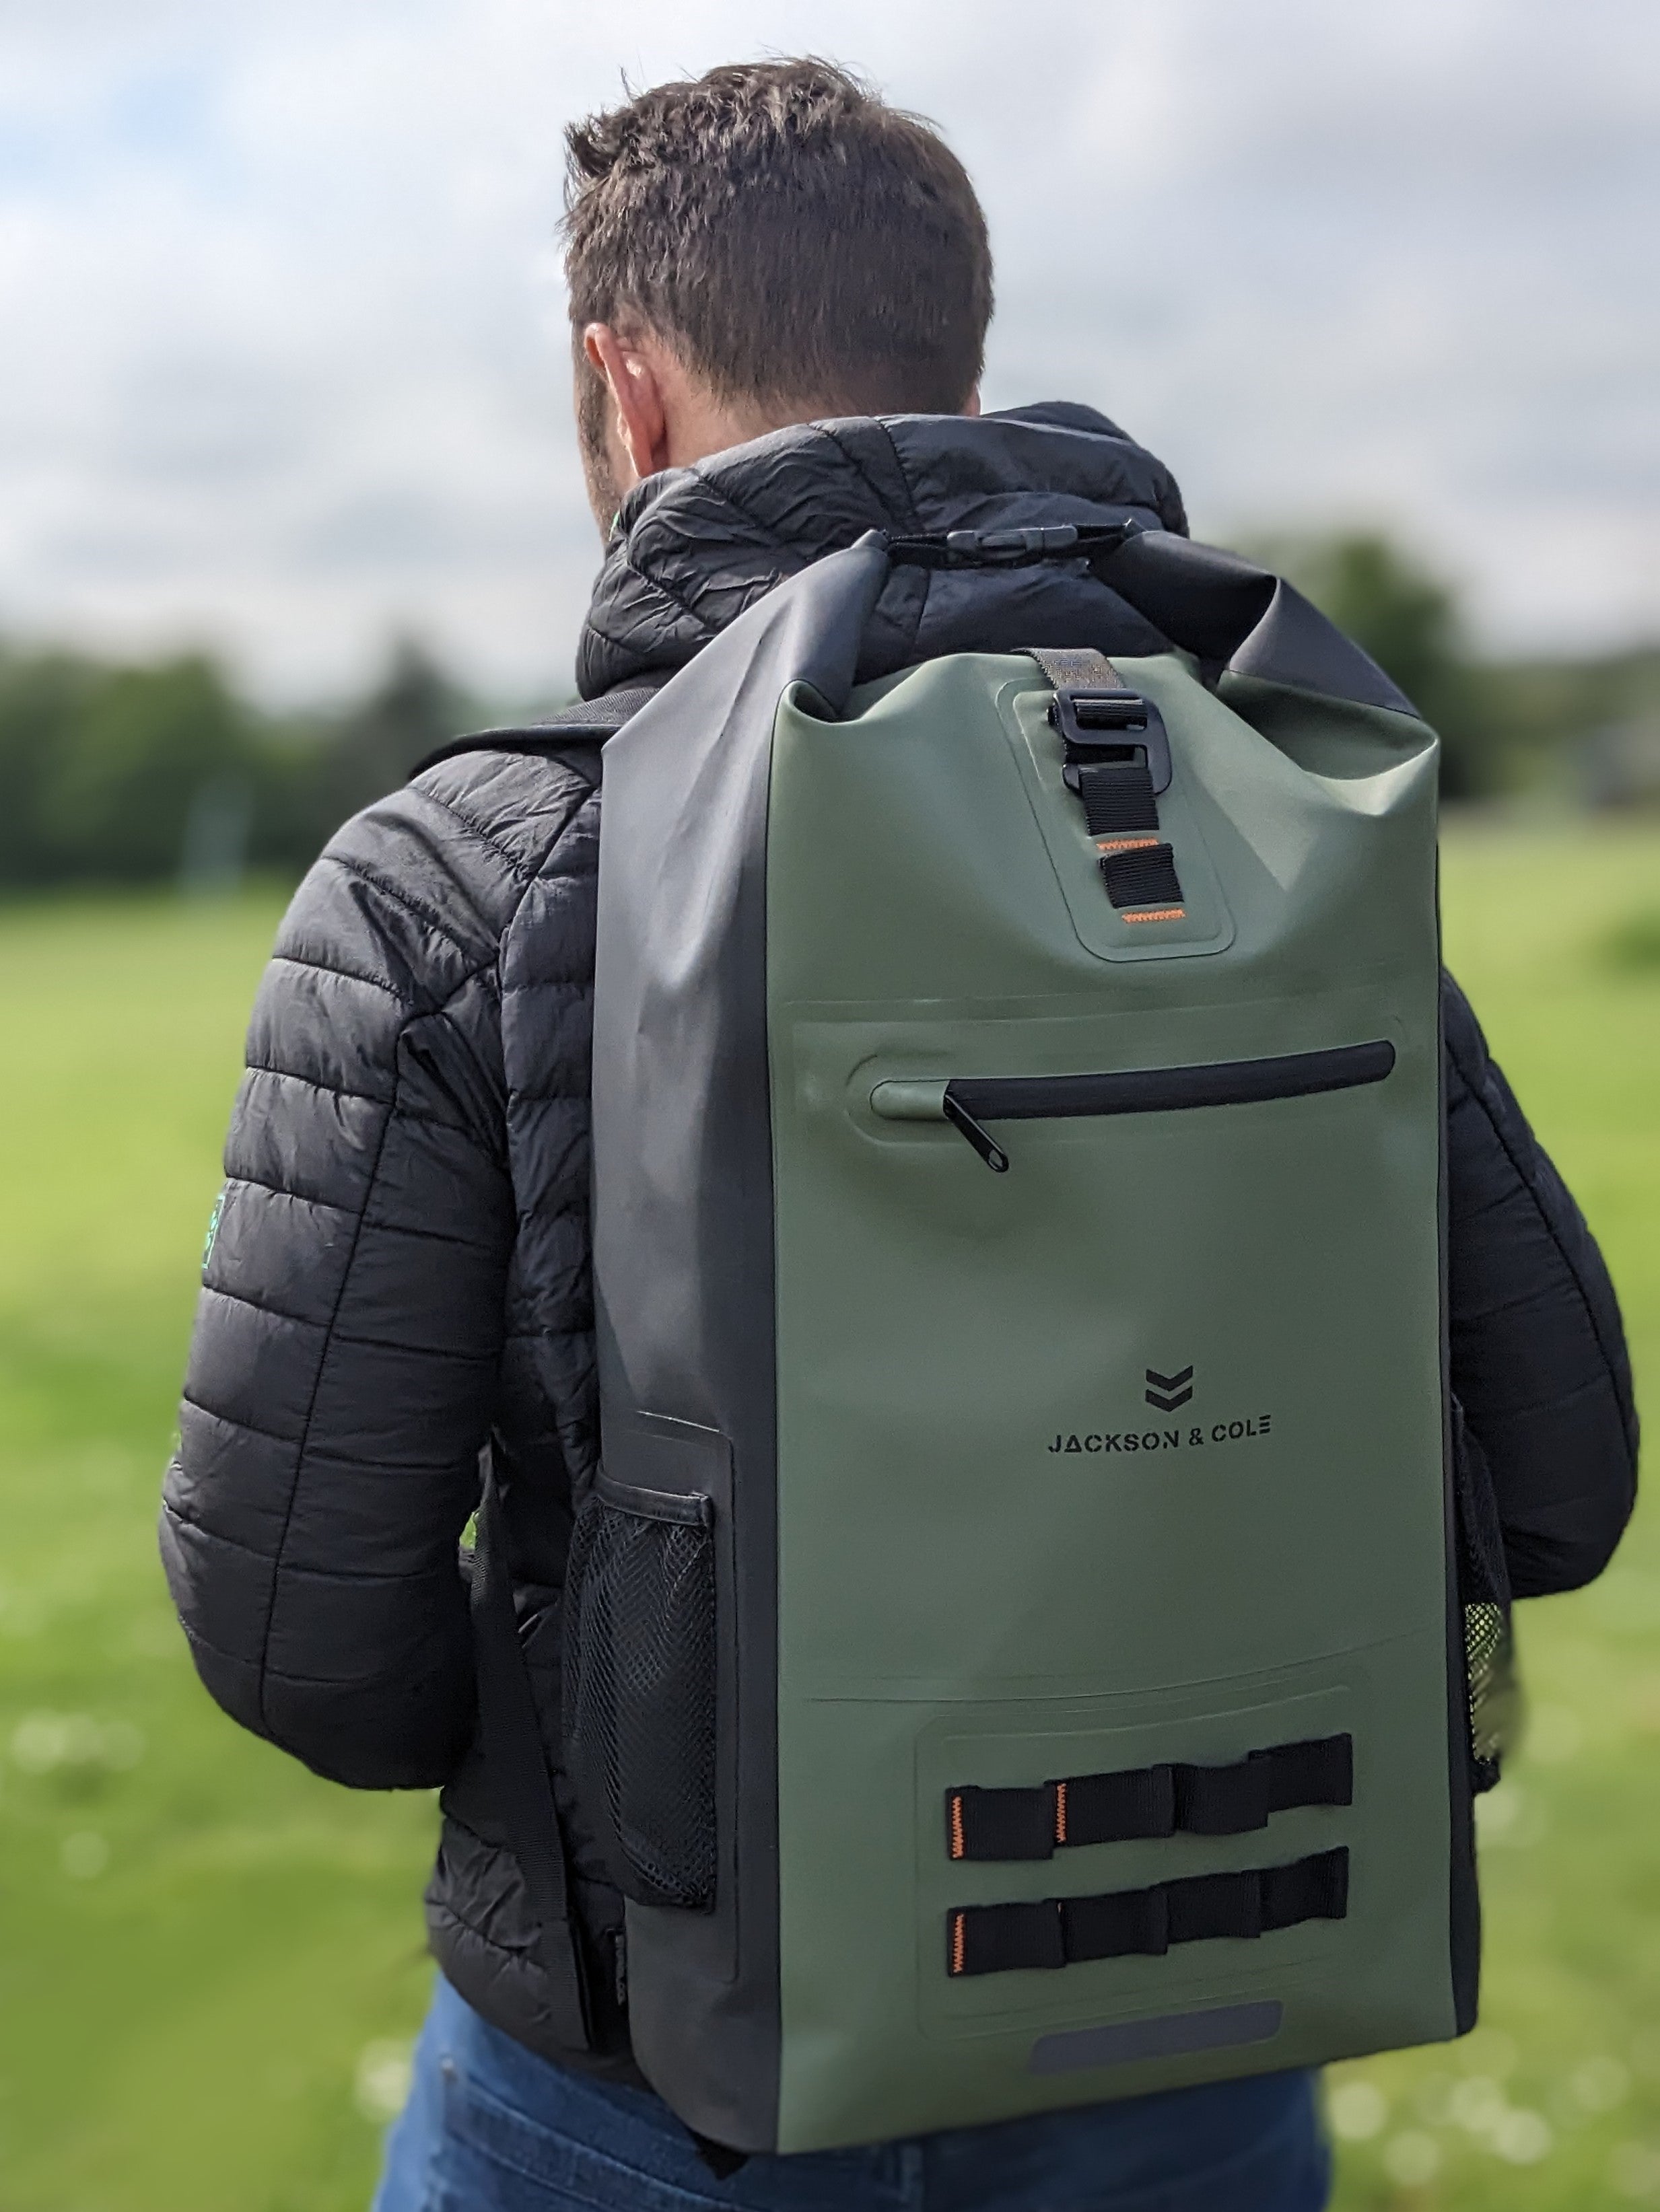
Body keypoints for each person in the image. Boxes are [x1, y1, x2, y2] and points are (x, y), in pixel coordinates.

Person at [161, 57, 1637, 2212]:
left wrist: (616, 1748)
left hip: (662, 2079)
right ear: (954, 360)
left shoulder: (458, 873)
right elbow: (1558, 1477)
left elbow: (301, 1632)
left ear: (622, 385)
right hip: (1201, 2017)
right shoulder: (1250, 817)